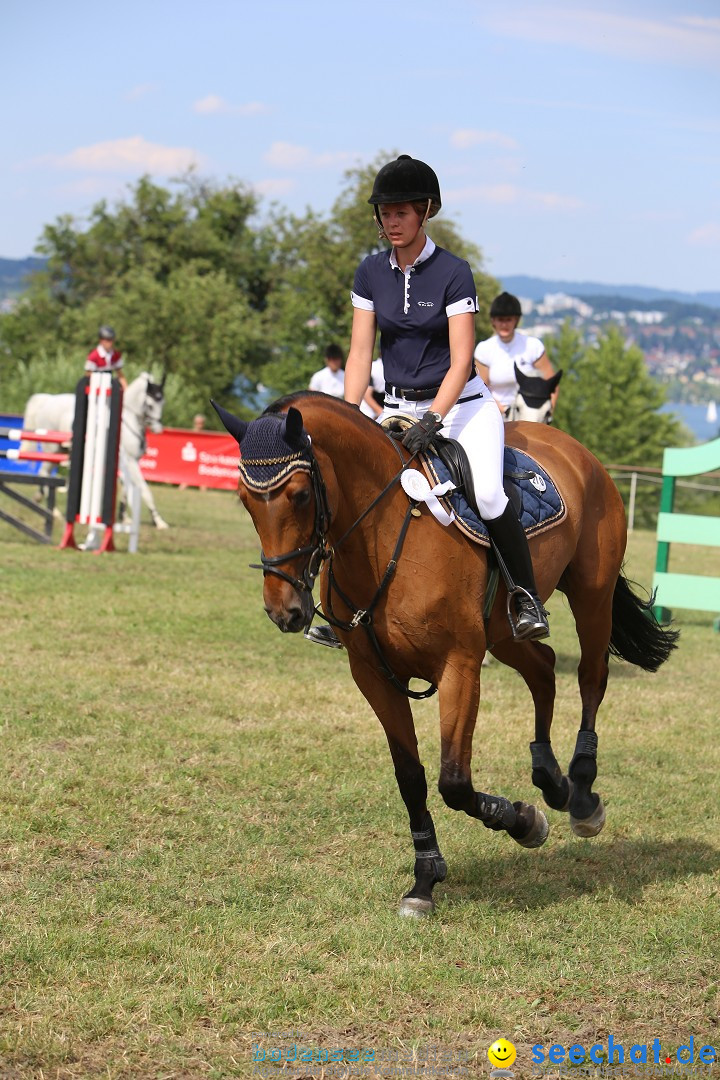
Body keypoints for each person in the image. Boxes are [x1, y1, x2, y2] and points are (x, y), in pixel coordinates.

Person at [306, 154, 548, 649]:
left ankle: (525, 597)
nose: (392, 221)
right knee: (351, 489)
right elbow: (359, 352)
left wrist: (435, 418)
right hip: (395, 407)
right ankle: (343, 607)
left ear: (425, 212)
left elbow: (462, 361)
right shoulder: (370, 273)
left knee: (485, 494)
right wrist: (350, 415)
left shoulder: (454, 273)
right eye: (385, 213)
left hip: (461, 408)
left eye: (402, 212)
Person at [474, 293, 558, 418]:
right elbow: (481, 387)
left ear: (516, 320)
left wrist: (548, 411)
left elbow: (551, 383)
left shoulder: (533, 346)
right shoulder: (484, 349)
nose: (504, 324)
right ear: (493, 321)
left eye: (508, 320)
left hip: (531, 414)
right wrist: (502, 409)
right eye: (500, 320)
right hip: (496, 412)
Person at [85, 325, 127, 390]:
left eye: (111, 340)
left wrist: (126, 388)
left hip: (109, 383)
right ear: (101, 340)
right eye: (107, 340)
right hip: (95, 383)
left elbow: (120, 375)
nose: (110, 343)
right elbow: (88, 375)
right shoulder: (94, 355)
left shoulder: (116, 355)